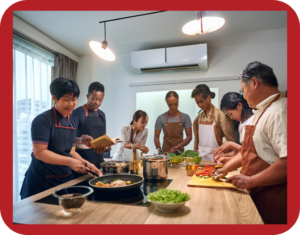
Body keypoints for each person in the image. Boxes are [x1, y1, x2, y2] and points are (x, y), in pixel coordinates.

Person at [213, 61, 287, 224]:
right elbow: (252, 153)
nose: (244, 96)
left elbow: (289, 161)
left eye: (243, 89)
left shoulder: (280, 111)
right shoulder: (263, 111)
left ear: (254, 83)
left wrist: (251, 180)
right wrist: (227, 168)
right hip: (257, 193)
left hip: (273, 197)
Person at [20, 78, 102, 200]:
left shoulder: (72, 120)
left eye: (74, 100)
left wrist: (89, 165)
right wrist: (69, 162)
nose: (71, 104)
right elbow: (40, 153)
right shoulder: (43, 120)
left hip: (63, 178)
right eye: (66, 100)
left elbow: (71, 151)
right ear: (55, 98)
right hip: (41, 180)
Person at [191, 85, 236, 161]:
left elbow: (231, 139)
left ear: (209, 98)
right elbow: (196, 138)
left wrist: (230, 159)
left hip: (216, 158)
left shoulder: (220, 115)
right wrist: (195, 151)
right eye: (197, 102)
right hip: (201, 159)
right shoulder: (198, 118)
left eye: (201, 101)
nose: (199, 105)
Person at [71, 82, 108, 171]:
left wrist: (106, 146)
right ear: (87, 96)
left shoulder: (102, 115)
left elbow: (104, 136)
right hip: (82, 164)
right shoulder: (77, 113)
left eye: (100, 100)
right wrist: (80, 139)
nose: (97, 102)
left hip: (99, 163)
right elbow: (68, 140)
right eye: (94, 99)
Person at [212, 92, 254, 164]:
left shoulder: (253, 121)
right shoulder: (241, 124)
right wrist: (224, 156)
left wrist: (231, 144)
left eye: (230, 114)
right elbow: (241, 152)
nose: (231, 118)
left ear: (239, 105)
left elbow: (251, 152)